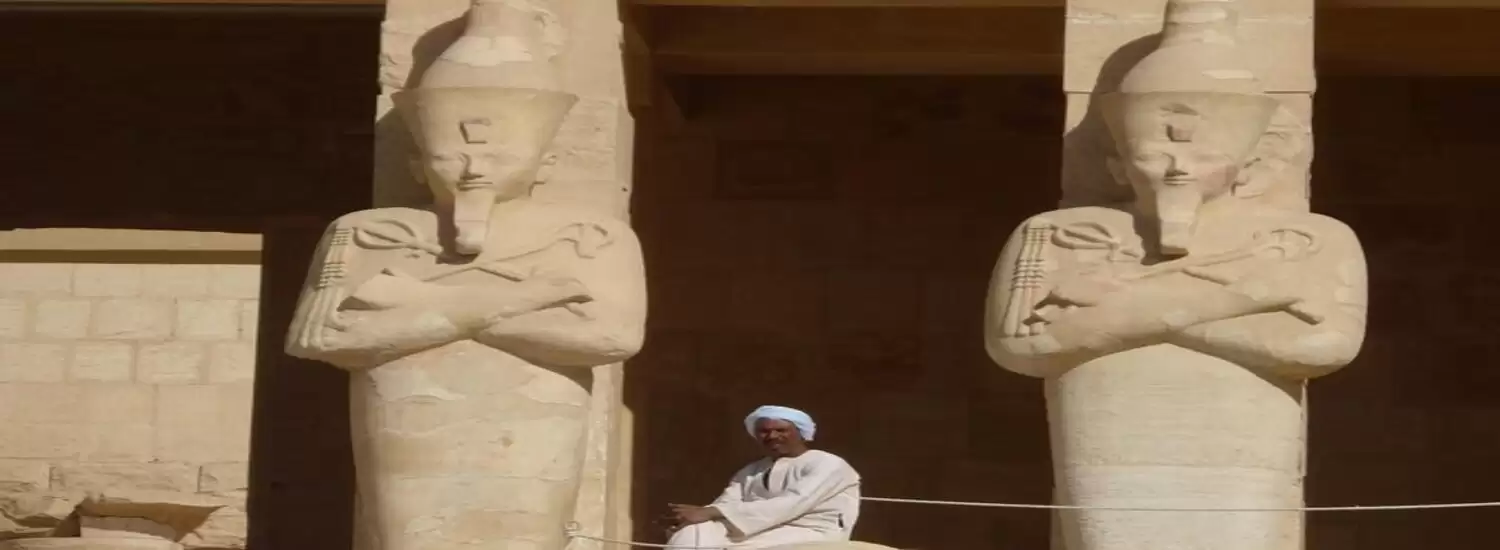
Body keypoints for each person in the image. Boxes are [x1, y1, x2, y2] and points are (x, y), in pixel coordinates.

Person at [665, 406, 862, 549]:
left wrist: (711, 512)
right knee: (694, 531)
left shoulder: (827, 463)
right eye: (764, 431)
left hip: (808, 530)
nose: (772, 436)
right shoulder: (752, 470)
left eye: (781, 430)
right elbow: (727, 502)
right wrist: (691, 518)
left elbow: (791, 502)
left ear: (801, 433)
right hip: (750, 528)